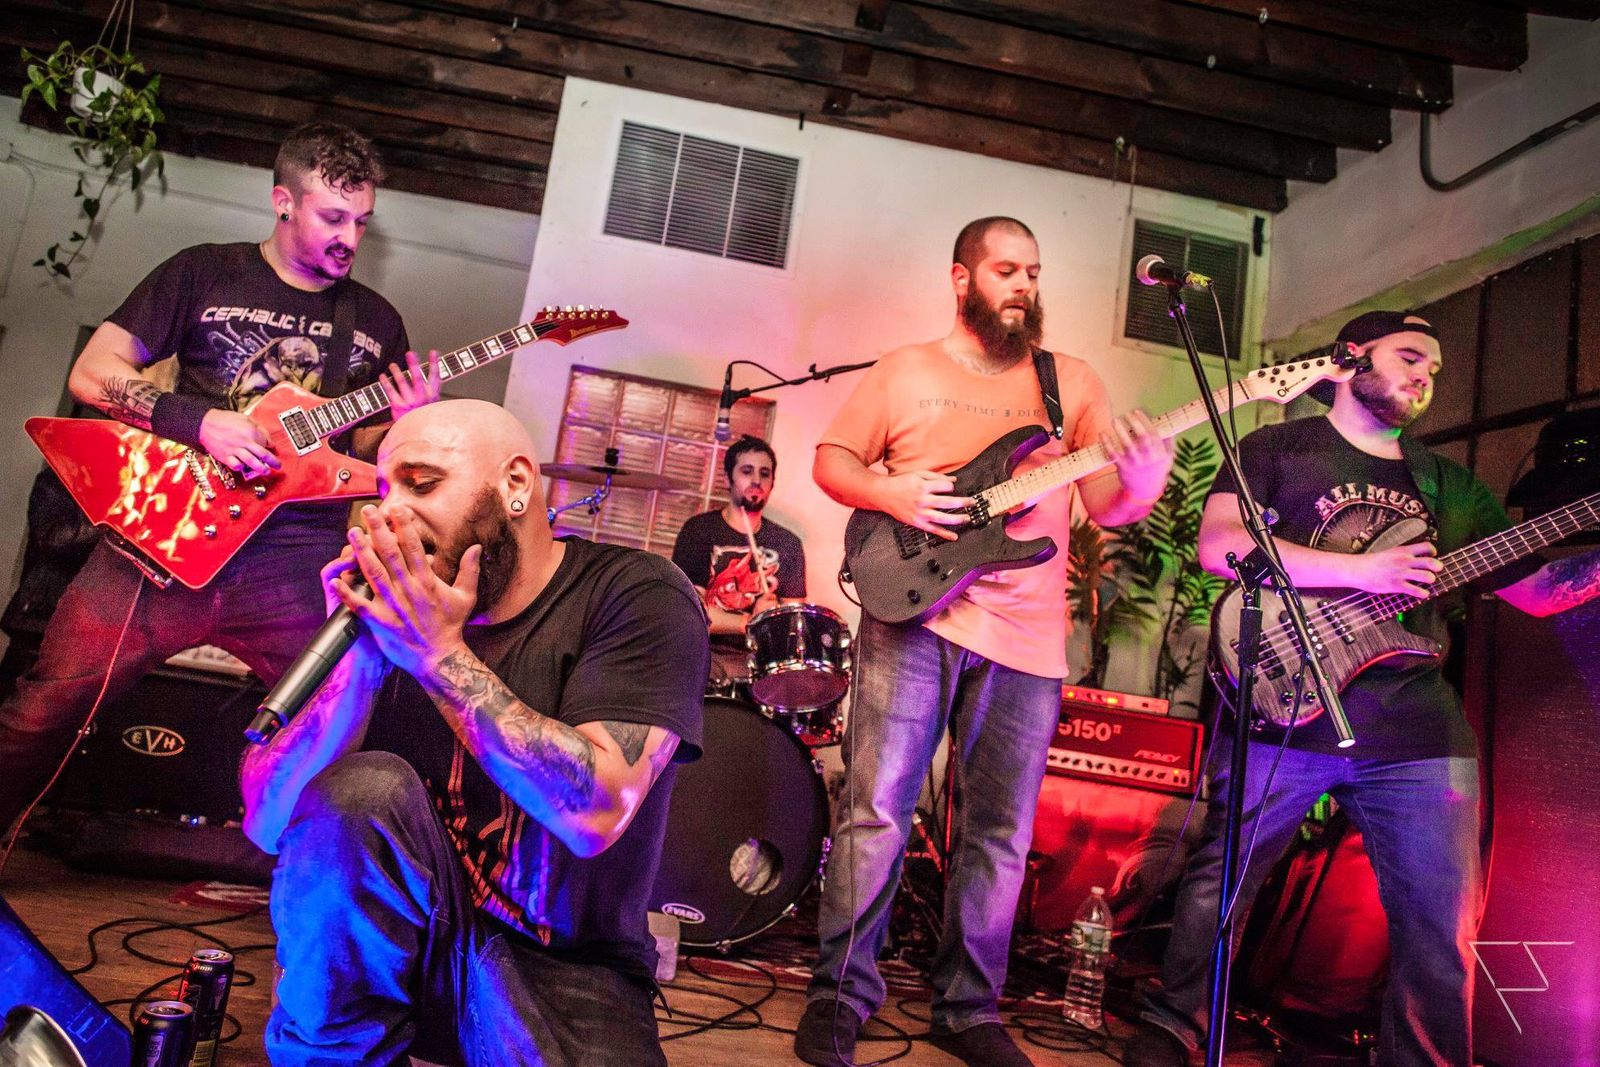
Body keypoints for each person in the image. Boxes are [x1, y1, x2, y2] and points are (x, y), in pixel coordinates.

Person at [1126, 311, 1600, 1067]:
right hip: (1285, 707)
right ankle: (1174, 1026)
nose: (1425, 375)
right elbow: (1221, 546)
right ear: (1351, 357)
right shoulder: (1278, 447)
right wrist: (1362, 571)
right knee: (1223, 881)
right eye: (1410, 356)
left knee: (1442, 921)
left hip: (1416, 728)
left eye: (1435, 368)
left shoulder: (1447, 483)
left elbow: (1539, 592)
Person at [796, 217, 1176, 1067]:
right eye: (1007, 270)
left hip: (1027, 641)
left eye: (1033, 272)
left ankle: (968, 1008)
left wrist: (1144, 475)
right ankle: (839, 994)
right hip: (914, 617)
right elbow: (832, 461)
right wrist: (894, 494)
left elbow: (1109, 506)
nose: (1025, 285)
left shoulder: (1069, 383)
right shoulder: (906, 368)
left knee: (999, 834)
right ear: (962, 279)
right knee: (876, 811)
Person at [0, 122, 443, 844]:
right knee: (48, 704)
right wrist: (199, 421)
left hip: (294, 562)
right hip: (167, 538)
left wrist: (407, 425)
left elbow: (362, 455)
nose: (350, 238)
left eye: (362, 221)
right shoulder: (203, 272)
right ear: (283, 201)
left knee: (335, 730)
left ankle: (303, 883)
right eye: (334, 217)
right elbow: (93, 371)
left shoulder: (374, 321)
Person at [240, 399, 709, 1066]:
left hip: (563, 971)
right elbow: (267, 820)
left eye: (421, 483)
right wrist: (360, 665)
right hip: (401, 955)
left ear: (515, 484)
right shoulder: (388, 620)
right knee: (361, 790)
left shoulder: (635, 593)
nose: (388, 513)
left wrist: (436, 656)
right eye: (383, 490)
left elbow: (597, 810)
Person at [671, 433, 806, 687]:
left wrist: (775, 615)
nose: (756, 480)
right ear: (728, 479)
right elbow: (690, 613)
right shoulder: (699, 531)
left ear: (772, 483)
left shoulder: (788, 543)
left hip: (759, 660)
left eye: (764, 473)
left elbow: (794, 623)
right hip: (704, 651)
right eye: (747, 471)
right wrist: (750, 622)